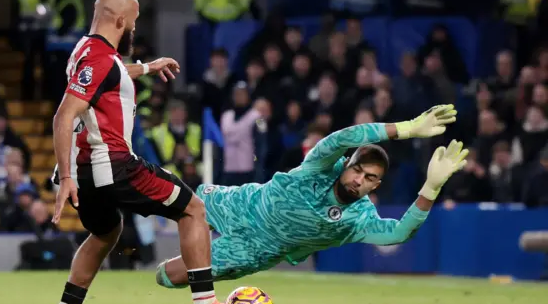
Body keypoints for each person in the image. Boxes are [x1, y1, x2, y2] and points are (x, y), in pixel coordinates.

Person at [46, 0, 259, 304]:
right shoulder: (100, 59)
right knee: (193, 209)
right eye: (134, 21)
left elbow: (110, 74)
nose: (135, 28)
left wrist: (147, 67)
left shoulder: (86, 50)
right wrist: (65, 178)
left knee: (105, 232)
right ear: (119, 20)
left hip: (89, 171)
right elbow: (64, 115)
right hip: (113, 165)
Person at [156, 105, 468, 286]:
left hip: (254, 250)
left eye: (370, 178)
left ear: (375, 187)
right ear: (348, 163)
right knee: (169, 196)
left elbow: (400, 232)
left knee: (167, 277)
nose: (360, 179)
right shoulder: (319, 166)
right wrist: (407, 128)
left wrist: (431, 188)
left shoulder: (357, 220)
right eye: (358, 169)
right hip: (243, 202)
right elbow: (343, 137)